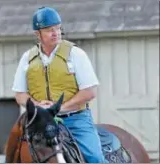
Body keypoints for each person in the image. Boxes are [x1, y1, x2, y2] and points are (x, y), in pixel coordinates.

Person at [12, 6, 106, 163]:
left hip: (75, 120)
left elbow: (89, 92)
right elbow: (20, 94)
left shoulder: (76, 54)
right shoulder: (27, 58)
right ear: (37, 34)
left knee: (95, 158)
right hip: (39, 123)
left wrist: (57, 108)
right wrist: (39, 108)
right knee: (12, 155)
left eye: (57, 28)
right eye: (49, 29)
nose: (55, 33)